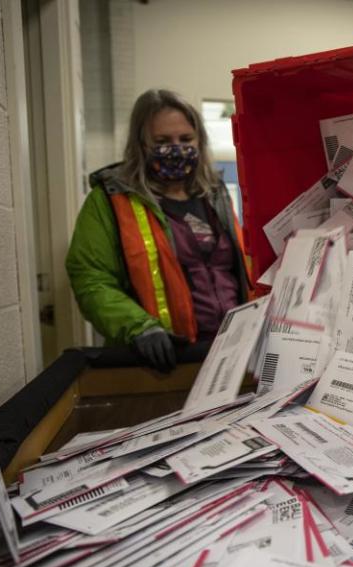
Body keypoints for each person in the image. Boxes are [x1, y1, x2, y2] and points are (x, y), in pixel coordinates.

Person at [67, 89, 251, 372]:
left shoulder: (214, 196)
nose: (176, 148)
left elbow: (238, 270)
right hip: (162, 362)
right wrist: (139, 327)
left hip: (229, 355)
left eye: (186, 139)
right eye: (162, 141)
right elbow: (91, 278)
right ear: (141, 145)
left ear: (200, 141)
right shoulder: (111, 200)